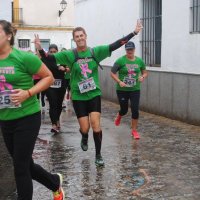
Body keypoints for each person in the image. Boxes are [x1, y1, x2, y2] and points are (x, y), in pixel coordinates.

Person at [34, 20, 143, 166]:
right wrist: (40, 49)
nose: (79, 38)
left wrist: (134, 33)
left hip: (94, 93)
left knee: (96, 125)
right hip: (79, 96)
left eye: (81, 35)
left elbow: (116, 44)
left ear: (86, 36)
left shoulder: (95, 52)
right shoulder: (69, 55)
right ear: (74, 39)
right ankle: (84, 136)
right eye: (77, 36)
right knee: (85, 127)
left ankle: (98, 155)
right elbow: (49, 58)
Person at [0, 20, 64, 200]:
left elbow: (48, 78)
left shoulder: (24, 58)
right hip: (5, 118)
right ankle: (54, 182)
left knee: (20, 167)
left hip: (27, 117)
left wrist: (28, 92)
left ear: (9, 36)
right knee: (26, 164)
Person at [111, 41, 148, 139]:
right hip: (122, 89)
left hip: (135, 89)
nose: (129, 51)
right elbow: (112, 73)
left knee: (135, 110)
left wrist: (142, 77)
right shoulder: (120, 61)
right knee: (124, 110)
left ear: (134, 50)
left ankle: (134, 131)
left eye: (131, 49)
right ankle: (120, 114)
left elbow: (145, 72)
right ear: (126, 50)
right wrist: (119, 81)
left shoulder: (139, 61)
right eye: (128, 49)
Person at [39, 44, 67, 133]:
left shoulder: (62, 58)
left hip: (61, 84)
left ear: (57, 52)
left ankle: (57, 119)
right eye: (51, 52)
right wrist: (39, 47)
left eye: (54, 51)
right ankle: (54, 124)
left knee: (59, 105)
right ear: (48, 52)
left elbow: (69, 67)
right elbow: (42, 54)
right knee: (53, 103)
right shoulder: (46, 59)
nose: (53, 53)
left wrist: (65, 69)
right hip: (50, 85)